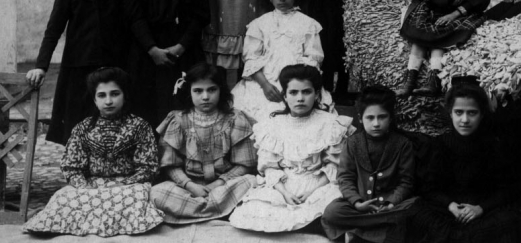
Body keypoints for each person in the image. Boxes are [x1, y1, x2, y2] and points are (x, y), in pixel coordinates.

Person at [27, 0, 154, 145]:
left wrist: (153, 49)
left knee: (114, 118)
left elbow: (137, 23)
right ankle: (79, 167)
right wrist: (41, 66)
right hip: (78, 68)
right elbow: (53, 31)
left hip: (114, 67)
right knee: (78, 121)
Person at [24, 67, 164, 237]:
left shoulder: (140, 126)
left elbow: (148, 166)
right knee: (63, 197)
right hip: (90, 185)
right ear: (94, 100)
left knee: (136, 197)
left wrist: (126, 184)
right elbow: (71, 166)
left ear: (125, 95)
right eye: (102, 95)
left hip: (128, 186)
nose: (108, 101)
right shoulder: (83, 128)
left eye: (115, 94)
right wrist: (84, 187)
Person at [407, 77, 521, 243]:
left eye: (472, 113)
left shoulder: (493, 146)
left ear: (482, 114)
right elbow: (428, 189)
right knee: (417, 215)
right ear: (450, 112)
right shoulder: (438, 146)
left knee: (509, 221)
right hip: (448, 209)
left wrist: (480, 208)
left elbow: (506, 189)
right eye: (459, 112)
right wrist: (451, 205)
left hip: (483, 208)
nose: (464, 120)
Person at [229, 64, 354, 233]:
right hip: (284, 185)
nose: (300, 98)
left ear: (316, 94)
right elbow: (270, 167)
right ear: (285, 96)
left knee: (332, 205)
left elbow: (334, 167)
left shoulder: (330, 124)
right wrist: (284, 192)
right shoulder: (273, 125)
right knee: (255, 211)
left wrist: (312, 190)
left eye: (306, 92)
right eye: (293, 93)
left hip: (318, 184)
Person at [151, 63, 257, 224]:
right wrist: (189, 185)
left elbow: (245, 164)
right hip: (188, 188)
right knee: (156, 193)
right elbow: (170, 165)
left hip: (224, 186)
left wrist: (217, 184)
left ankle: (192, 213)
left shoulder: (235, 118)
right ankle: (221, 212)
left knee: (250, 182)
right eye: (198, 91)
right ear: (189, 92)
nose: (205, 97)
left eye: (212, 89)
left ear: (221, 90)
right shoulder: (178, 120)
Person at [233, 0, 332, 122]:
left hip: (299, 81)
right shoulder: (258, 24)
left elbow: (314, 60)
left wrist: (295, 87)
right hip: (265, 82)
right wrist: (265, 85)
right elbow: (251, 59)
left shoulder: (308, 24)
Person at [323, 85, 417, 243]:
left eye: (382, 117)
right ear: (360, 118)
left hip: (389, 206)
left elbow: (406, 181)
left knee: (416, 208)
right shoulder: (353, 143)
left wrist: (391, 203)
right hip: (361, 204)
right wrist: (357, 202)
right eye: (370, 118)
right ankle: (380, 228)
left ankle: (357, 230)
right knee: (332, 212)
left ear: (391, 118)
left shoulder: (402, 144)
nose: (376, 123)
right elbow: (345, 177)